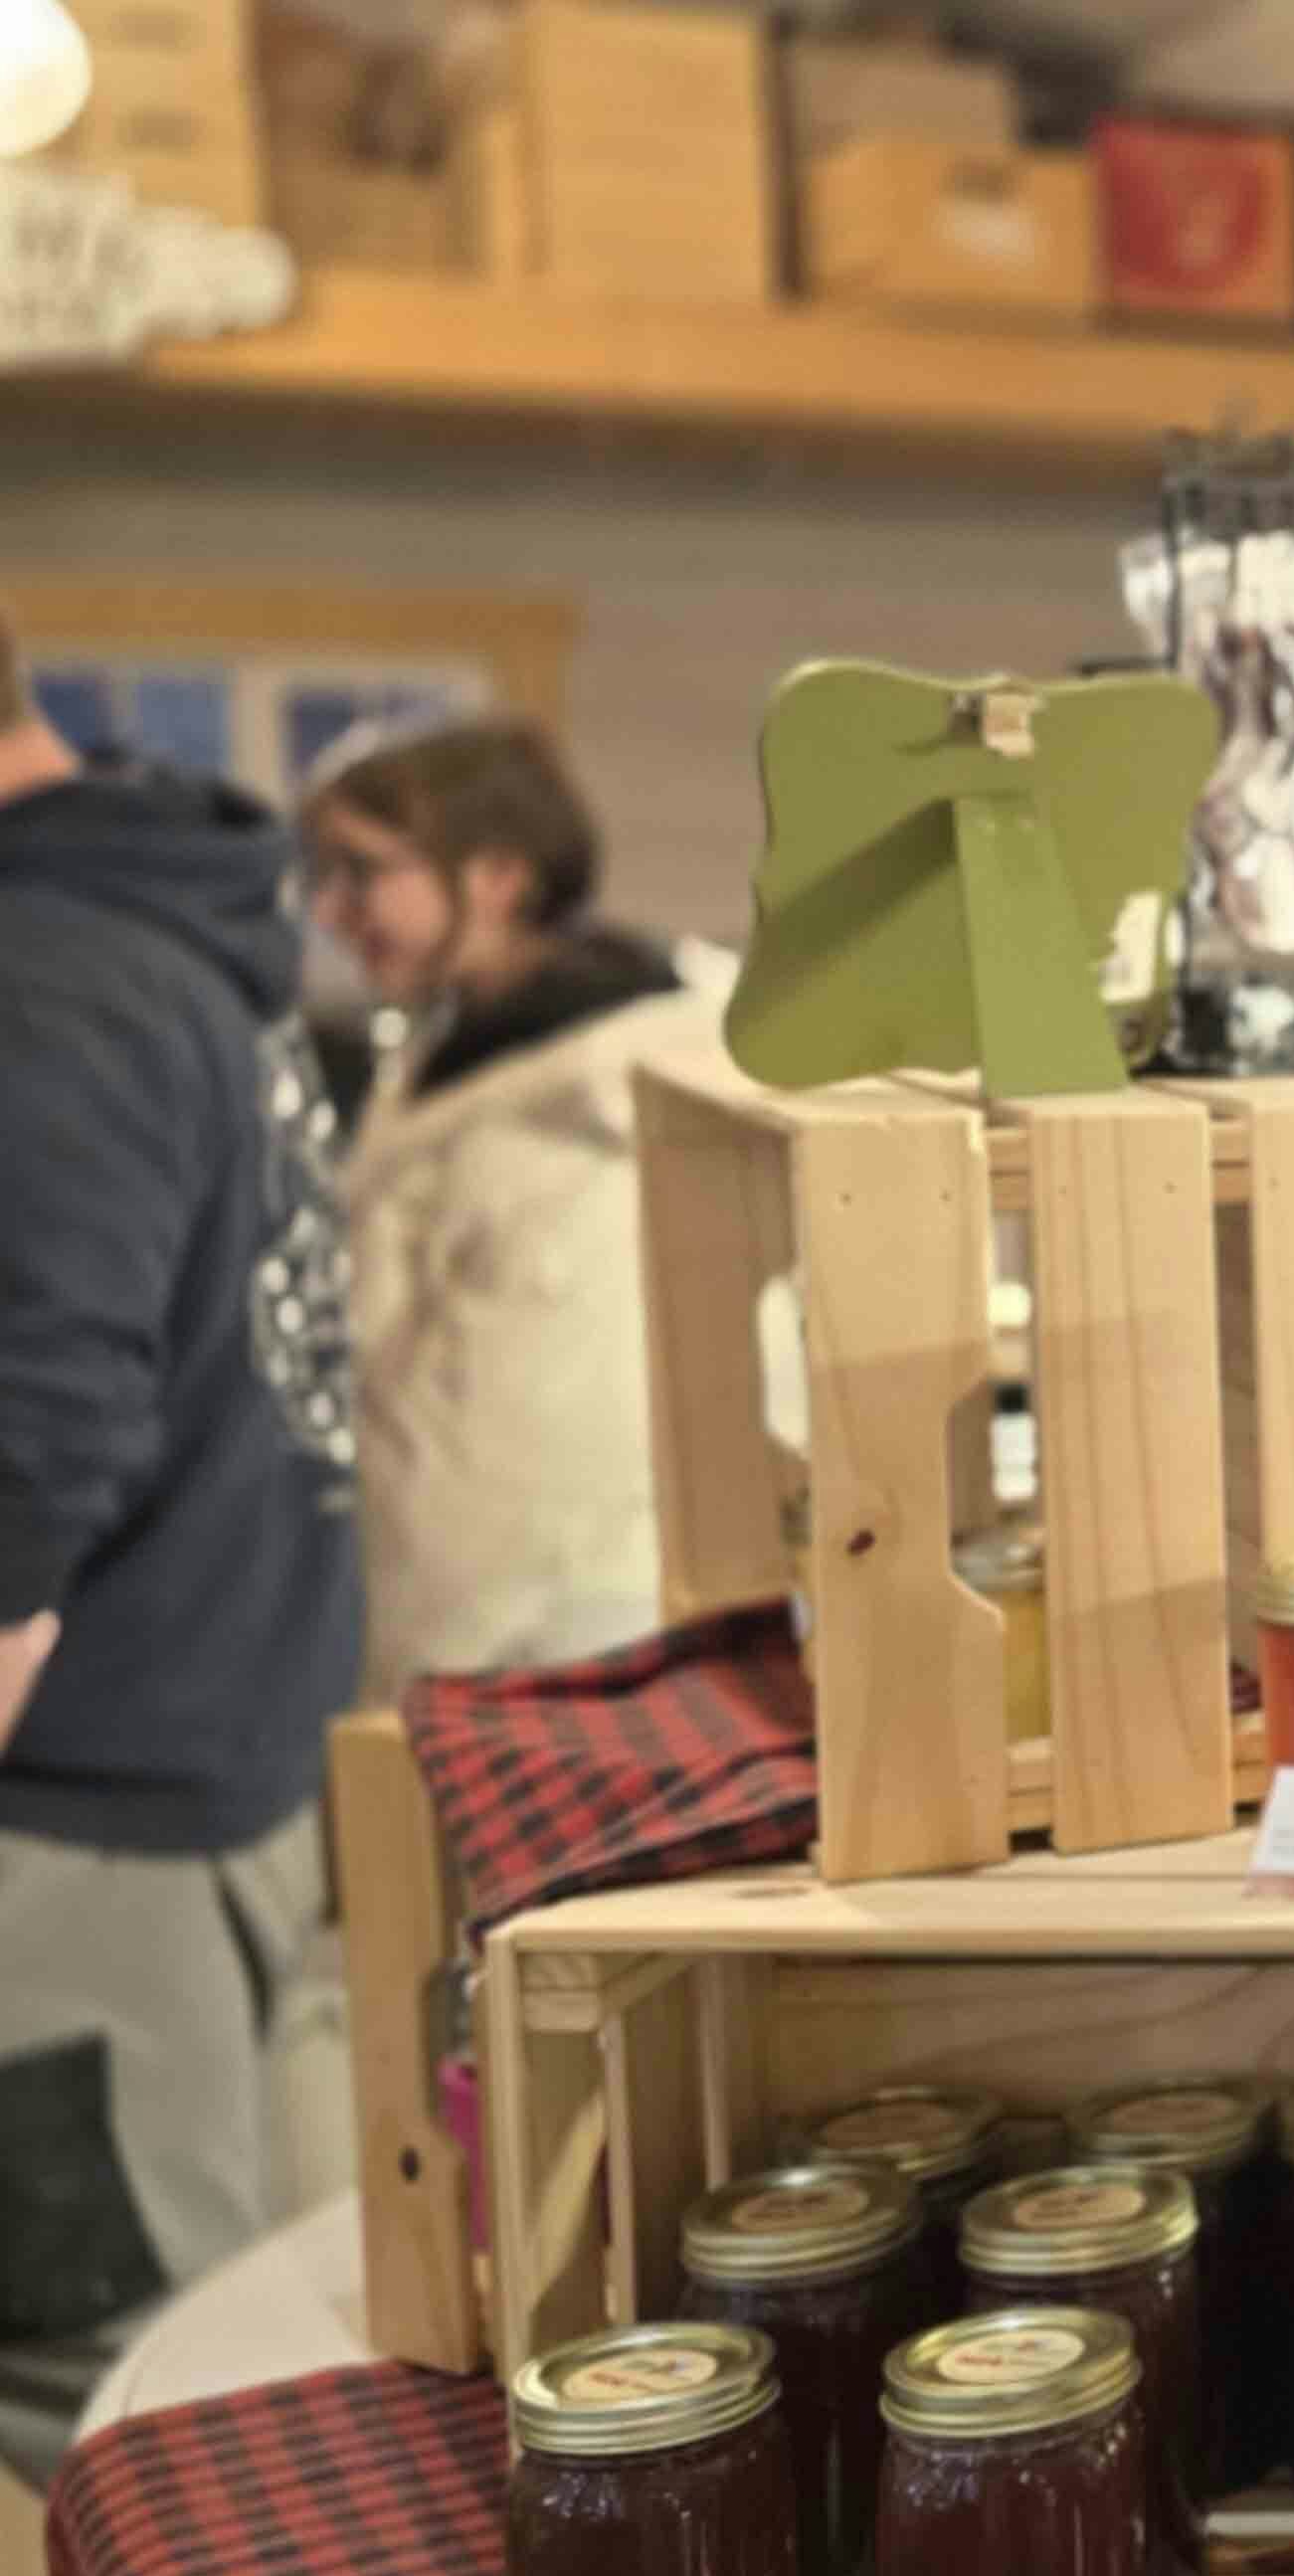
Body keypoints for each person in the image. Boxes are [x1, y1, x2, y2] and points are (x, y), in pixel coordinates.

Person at [0, 603, 363, 2477]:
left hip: (81, 1830)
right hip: (200, 1760)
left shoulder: (45, 976)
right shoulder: (162, 930)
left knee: (107, 2411)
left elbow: (30, 1429)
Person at [299, 716, 723, 1698]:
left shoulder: (623, 1092)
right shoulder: (443, 1067)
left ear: (495, 875)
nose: (330, 908)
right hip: (451, 1635)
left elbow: (556, 1435)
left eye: (364, 872)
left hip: (559, 1646)